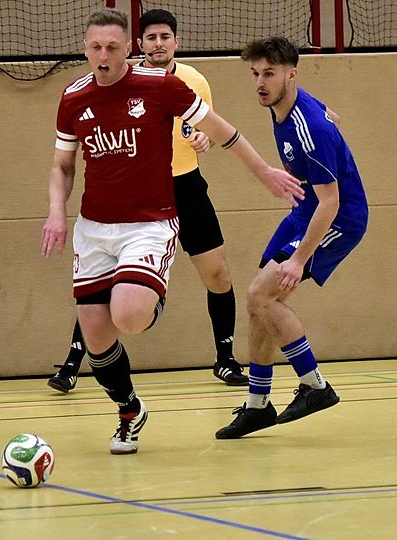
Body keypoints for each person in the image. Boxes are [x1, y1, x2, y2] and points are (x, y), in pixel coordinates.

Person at [41, 10, 304, 454]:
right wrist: (55, 213)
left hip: (150, 222)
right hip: (94, 228)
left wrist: (263, 172)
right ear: (85, 49)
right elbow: (62, 166)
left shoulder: (161, 86)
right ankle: (129, 410)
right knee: (97, 339)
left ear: (129, 49)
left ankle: (149, 293)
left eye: (112, 47)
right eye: (95, 47)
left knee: (129, 315)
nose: (103, 56)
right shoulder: (73, 97)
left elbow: (222, 131)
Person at [48, 9, 250, 394]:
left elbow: (207, 128)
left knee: (217, 273)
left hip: (185, 186)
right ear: (138, 45)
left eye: (165, 37)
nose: (158, 44)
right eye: (152, 38)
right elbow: (65, 161)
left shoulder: (192, 81)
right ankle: (74, 361)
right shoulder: (119, 80)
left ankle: (225, 358)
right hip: (137, 196)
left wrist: (205, 140)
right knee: (103, 284)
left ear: (176, 42)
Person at [216, 36, 369, 439]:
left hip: (337, 218)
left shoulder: (309, 129)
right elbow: (329, 113)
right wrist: (329, 117)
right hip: (304, 210)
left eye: (269, 74)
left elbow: (331, 202)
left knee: (262, 295)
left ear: (291, 75)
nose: (260, 83)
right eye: (255, 74)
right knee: (257, 301)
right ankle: (257, 406)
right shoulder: (291, 104)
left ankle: (315, 386)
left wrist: (299, 260)